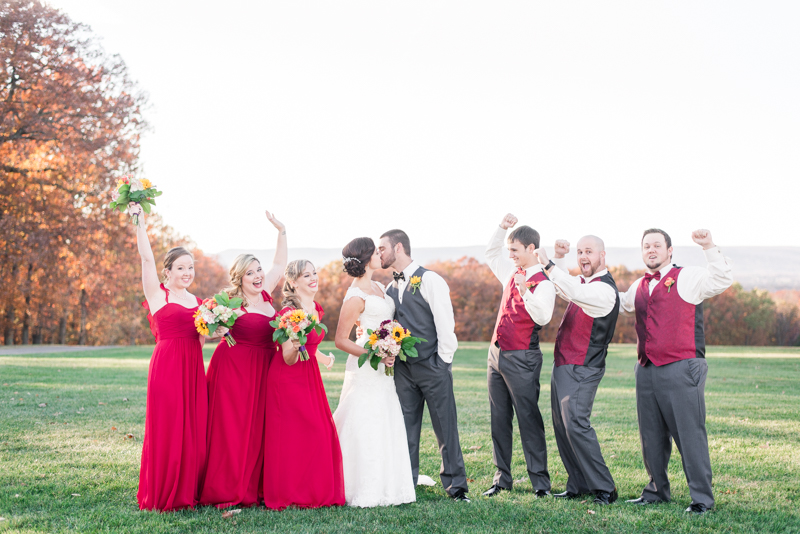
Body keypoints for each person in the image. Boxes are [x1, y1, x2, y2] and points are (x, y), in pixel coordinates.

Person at [621, 228, 733, 514]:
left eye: (657, 245)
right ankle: (656, 491)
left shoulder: (688, 276)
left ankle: (702, 500)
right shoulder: (640, 285)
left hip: (682, 367)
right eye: (646, 246)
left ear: (670, 251)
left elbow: (721, 279)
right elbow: (616, 305)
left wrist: (708, 245)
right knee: (651, 435)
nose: (651, 250)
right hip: (646, 368)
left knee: (689, 434)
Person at [199, 211, 287, 508]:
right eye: (250, 273)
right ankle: (226, 488)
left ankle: (256, 485)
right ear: (239, 278)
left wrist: (281, 231)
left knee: (260, 428)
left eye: (258, 270)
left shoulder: (266, 296)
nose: (258, 276)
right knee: (233, 428)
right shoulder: (230, 303)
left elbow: (280, 264)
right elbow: (206, 330)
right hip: (233, 370)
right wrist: (217, 330)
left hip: (265, 369)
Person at [378, 229, 470, 502]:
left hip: (433, 366)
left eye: (382, 248)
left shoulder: (430, 280)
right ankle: (407, 482)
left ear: (398, 248)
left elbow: (445, 323)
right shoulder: (389, 287)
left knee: (445, 427)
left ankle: (457, 487)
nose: (378, 253)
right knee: (405, 427)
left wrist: (442, 362)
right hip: (403, 370)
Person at [131, 204, 207, 511]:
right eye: (181, 268)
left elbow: (201, 337)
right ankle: (164, 492)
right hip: (168, 365)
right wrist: (140, 222)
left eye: (190, 268)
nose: (187, 273)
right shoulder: (157, 294)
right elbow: (146, 257)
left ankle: (188, 490)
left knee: (193, 428)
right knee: (168, 426)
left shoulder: (199, 301)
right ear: (168, 272)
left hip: (193, 365)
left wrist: (216, 330)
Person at [332, 237, 416, 507]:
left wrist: (391, 346)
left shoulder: (380, 287)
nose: (381, 254)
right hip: (366, 366)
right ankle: (357, 483)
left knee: (384, 418)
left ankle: (388, 483)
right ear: (368, 258)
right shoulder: (356, 295)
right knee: (364, 419)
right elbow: (341, 340)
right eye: (377, 251)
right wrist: (375, 354)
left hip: (384, 365)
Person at [536, 236, 619, 505]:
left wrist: (549, 263)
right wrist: (558, 260)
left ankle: (605, 488)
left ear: (602, 255)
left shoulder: (604, 289)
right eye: (580, 252)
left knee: (577, 425)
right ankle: (578, 483)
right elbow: (560, 287)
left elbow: (573, 291)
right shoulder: (581, 282)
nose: (583, 256)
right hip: (563, 363)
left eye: (589, 252)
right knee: (562, 427)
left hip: (584, 367)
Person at [482, 213, 555, 498]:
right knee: (499, 418)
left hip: (523, 357)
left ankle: (540, 483)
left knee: (528, 418)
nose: (510, 255)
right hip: (496, 354)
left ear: (531, 249)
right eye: (509, 250)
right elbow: (490, 253)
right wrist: (501, 228)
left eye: (515, 250)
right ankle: (501, 479)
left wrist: (526, 291)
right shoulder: (510, 273)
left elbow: (544, 316)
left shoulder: (544, 283)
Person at [262, 259, 344, 510]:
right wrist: (295, 345)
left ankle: (313, 488)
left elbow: (312, 344)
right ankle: (290, 492)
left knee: (317, 430)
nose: (313, 278)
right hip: (287, 377)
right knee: (293, 434)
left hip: (310, 375)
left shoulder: (316, 308)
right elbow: (288, 356)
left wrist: (322, 357)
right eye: (306, 275)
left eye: (314, 273)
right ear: (293, 282)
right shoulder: (287, 314)